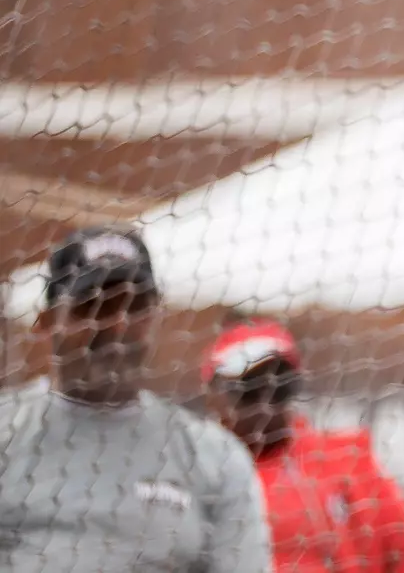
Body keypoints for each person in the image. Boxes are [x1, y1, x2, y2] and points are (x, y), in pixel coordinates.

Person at [0, 226, 270, 572]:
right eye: (94, 307)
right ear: (46, 321)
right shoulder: (8, 433)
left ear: (157, 317)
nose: (117, 326)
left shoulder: (212, 457)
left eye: (135, 307)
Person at [202, 317, 404, 573]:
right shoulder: (200, 479)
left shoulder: (347, 460)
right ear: (214, 397)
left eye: (280, 387)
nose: (266, 401)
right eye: (249, 388)